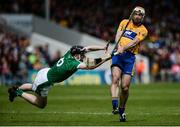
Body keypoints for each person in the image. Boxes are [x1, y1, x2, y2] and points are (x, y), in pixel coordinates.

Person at [8, 44, 110, 109]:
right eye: (82, 55)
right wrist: (106, 58)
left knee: (33, 86)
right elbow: (91, 66)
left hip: (45, 72)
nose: (83, 56)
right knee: (41, 104)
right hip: (45, 81)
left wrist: (103, 47)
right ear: (77, 55)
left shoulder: (70, 52)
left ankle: (16, 89)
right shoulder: (72, 64)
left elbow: (88, 48)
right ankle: (18, 92)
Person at [110, 6, 148, 122]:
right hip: (118, 55)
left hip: (129, 58)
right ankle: (115, 105)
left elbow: (135, 41)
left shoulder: (143, 30)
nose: (137, 16)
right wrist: (117, 46)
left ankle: (122, 110)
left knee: (125, 87)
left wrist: (124, 48)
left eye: (140, 15)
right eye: (136, 14)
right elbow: (118, 34)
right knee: (115, 78)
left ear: (142, 17)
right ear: (132, 14)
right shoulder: (124, 22)